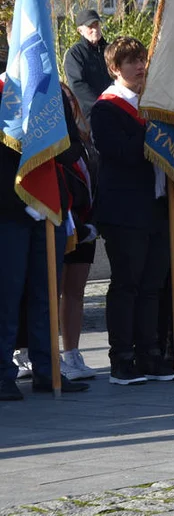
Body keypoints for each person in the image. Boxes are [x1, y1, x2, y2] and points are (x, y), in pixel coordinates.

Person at [0, 79, 91, 399]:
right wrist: (22, 198)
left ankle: (47, 369)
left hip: (49, 205)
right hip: (9, 210)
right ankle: (2, 374)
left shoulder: (52, 95)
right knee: (7, 296)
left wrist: (50, 138)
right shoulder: (2, 93)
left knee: (46, 294)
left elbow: (72, 149)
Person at [90, 37, 174, 386]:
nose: (140, 67)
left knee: (152, 286)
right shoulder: (106, 109)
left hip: (155, 207)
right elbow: (121, 153)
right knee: (127, 285)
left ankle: (150, 353)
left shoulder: (152, 104)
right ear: (114, 69)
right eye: (131, 62)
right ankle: (122, 359)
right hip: (124, 212)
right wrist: (153, 129)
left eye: (142, 60)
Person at [58, 83, 99, 381]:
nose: (68, 104)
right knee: (51, 291)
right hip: (62, 221)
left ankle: (72, 353)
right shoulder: (50, 146)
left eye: (69, 98)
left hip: (85, 223)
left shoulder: (84, 141)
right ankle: (40, 353)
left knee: (76, 291)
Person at [63, 8, 111, 117]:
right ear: (80, 30)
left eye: (97, 25)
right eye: (90, 27)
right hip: (91, 113)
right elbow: (77, 85)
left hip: (115, 107)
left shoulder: (110, 50)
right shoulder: (75, 54)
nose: (95, 29)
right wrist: (101, 103)